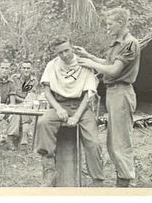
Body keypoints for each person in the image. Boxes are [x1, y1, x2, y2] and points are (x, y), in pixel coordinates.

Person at [76, 8, 141, 187]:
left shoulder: (130, 44)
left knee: (121, 140)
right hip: (113, 92)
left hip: (121, 92)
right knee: (113, 140)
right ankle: (122, 177)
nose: (108, 27)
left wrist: (90, 64)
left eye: (110, 24)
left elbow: (114, 70)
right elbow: (108, 63)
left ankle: (124, 181)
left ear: (121, 23)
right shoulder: (118, 44)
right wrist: (88, 56)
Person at [34, 36, 105, 187]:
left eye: (67, 50)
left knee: (94, 142)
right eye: (60, 53)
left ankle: (97, 180)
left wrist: (77, 116)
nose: (64, 55)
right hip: (60, 104)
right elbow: (47, 91)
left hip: (81, 106)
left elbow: (88, 94)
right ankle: (49, 172)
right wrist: (58, 108)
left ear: (72, 47)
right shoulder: (52, 65)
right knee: (43, 123)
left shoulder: (84, 64)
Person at [10, 60, 38, 146]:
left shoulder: (34, 81)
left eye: (28, 68)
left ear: (31, 69)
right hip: (16, 103)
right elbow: (12, 95)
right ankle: (24, 135)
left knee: (27, 105)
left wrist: (26, 102)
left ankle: (24, 135)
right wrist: (24, 102)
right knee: (23, 108)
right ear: (20, 69)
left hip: (28, 105)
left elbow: (31, 95)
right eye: (24, 68)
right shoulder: (14, 78)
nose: (26, 70)